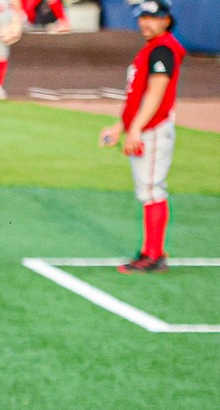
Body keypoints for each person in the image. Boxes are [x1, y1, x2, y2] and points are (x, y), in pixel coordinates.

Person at [101, 0, 185, 274]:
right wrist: (120, 126)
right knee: (148, 190)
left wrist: (135, 128)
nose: (146, 22)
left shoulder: (163, 49)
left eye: (153, 16)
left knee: (152, 190)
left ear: (166, 20)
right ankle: (151, 252)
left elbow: (156, 93)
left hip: (154, 129)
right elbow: (136, 95)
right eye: (143, 16)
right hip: (146, 127)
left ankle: (154, 255)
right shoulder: (153, 48)